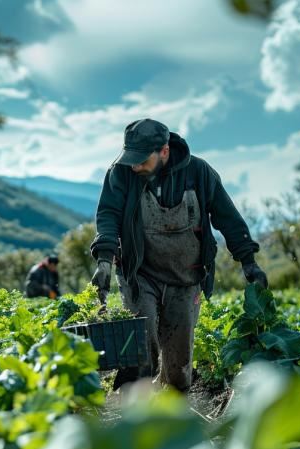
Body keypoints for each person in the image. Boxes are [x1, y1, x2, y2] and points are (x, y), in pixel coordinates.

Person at [89, 118, 268, 392]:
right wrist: (104, 260)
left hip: (186, 278)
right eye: (130, 158)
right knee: (139, 350)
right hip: (140, 275)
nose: (135, 165)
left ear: (164, 151)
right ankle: (132, 417)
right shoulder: (121, 173)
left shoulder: (199, 173)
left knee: (178, 367)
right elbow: (108, 215)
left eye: (141, 160)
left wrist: (248, 262)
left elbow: (227, 217)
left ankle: (174, 421)